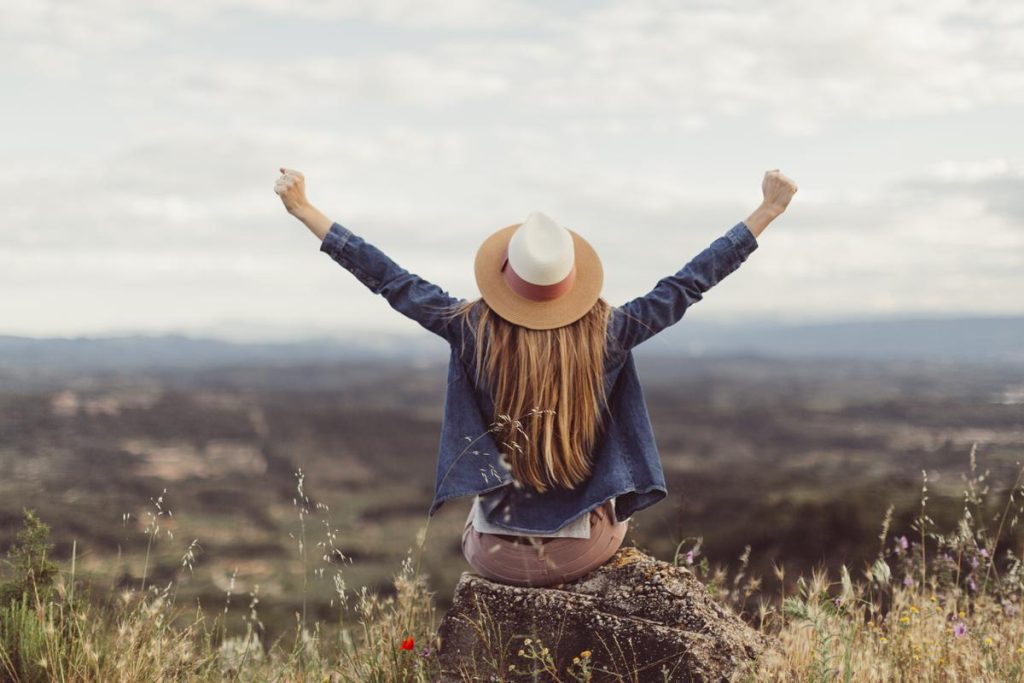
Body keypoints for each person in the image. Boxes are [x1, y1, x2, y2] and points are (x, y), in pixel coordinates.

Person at [275, 168, 798, 587]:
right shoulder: (610, 333)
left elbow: (389, 278)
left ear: (505, 276)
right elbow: (687, 284)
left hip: (494, 555)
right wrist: (767, 211)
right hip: (580, 553)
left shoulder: (469, 329)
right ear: (572, 284)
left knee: (483, 511)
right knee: (613, 512)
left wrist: (304, 210)